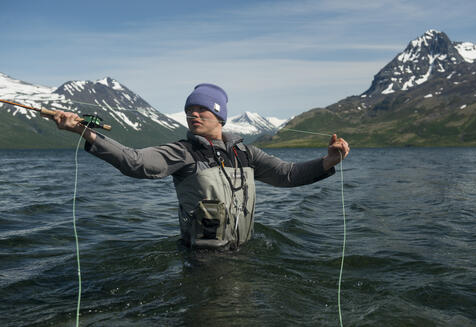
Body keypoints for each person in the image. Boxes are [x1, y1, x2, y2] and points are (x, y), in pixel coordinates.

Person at [49, 83, 350, 250]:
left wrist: (328, 162)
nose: (193, 114)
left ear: (220, 116)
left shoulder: (247, 153)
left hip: (243, 254)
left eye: (201, 108)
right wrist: (84, 132)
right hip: (201, 261)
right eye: (189, 110)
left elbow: (288, 175)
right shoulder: (182, 152)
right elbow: (135, 163)